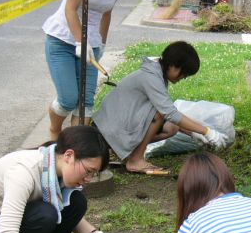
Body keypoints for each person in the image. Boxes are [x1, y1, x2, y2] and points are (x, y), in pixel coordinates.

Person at [42, 0, 144, 140]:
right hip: (62, 40)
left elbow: (106, 13)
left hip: (91, 46)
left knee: (85, 102)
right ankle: (54, 130)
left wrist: (101, 43)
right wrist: (81, 41)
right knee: (69, 99)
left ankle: (73, 149)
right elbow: (70, 10)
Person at [93, 42, 227, 174]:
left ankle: (131, 154)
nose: (184, 78)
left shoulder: (156, 74)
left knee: (171, 128)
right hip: (108, 130)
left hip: (118, 126)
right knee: (159, 114)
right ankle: (135, 160)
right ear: (173, 66)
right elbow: (169, 113)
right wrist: (207, 131)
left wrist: (192, 133)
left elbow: (171, 117)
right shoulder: (151, 77)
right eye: (184, 73)